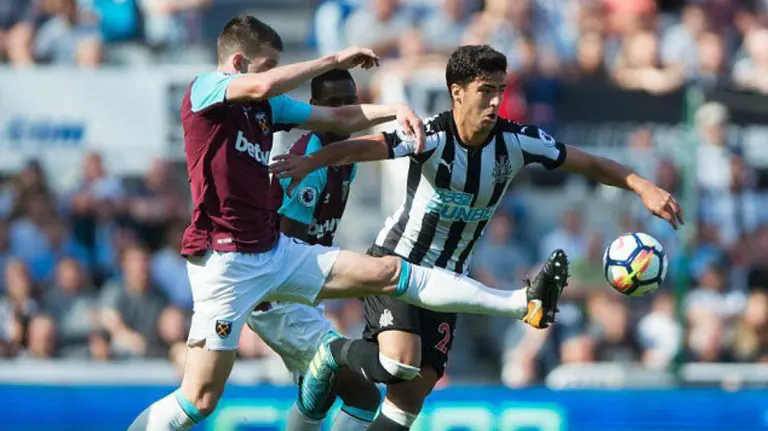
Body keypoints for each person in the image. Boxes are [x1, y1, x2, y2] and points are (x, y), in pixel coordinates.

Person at [127, 18, 570, 431]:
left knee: (389, 276)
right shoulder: (205, 90)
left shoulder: (268, 109)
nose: (274, 76)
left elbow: (339, 119)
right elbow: (262, 84)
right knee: (199, 400)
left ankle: (520, 302)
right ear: (239, 63)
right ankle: (327, 357)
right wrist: (335, 59)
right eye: (269, 65)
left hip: (274, 253)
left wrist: (395, 109)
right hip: (225, 265)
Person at [271, 44, 685, 430]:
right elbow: (363, 148)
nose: (494, 101)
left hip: (449, 282)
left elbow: (586, 161)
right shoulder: (430, 135)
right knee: (400, 363)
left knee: (408, 400)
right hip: (396, 265)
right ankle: (331, 354)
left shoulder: (515, 142)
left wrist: (640, 184)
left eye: (500, 91)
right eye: (485, 91)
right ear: (457, 92)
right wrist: (312, 161)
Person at [245, 69, 381, 431]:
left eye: (349, 102)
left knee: (317, 396)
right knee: (364, 394)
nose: (342, 111)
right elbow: (292, 253)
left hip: (294, 295)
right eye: (332, 104)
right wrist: (357, 282)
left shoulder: (342, 157)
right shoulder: (310, 165)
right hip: (277, 295)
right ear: (314, 108)